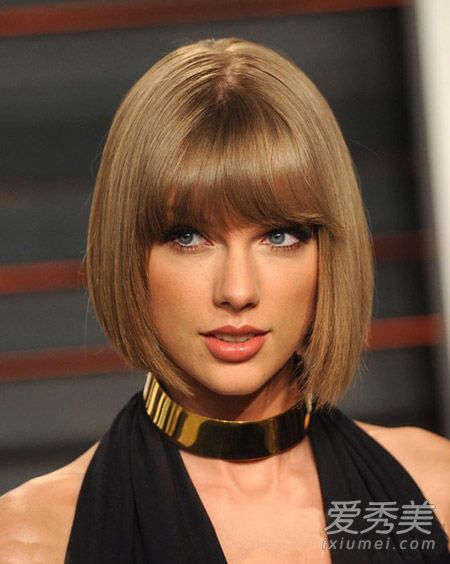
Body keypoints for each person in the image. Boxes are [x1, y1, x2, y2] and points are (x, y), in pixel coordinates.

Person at [0, 37, 449, 564]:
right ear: (127, 254)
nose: (237, 291)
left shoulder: (435, 493)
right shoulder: (31, 541)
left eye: (279, 236)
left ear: (329, 254)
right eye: (188, 237)